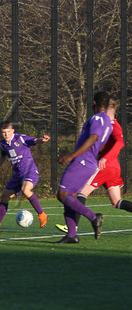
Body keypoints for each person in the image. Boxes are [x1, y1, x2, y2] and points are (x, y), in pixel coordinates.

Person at [56, 97, 132, 233]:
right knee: (117, 202)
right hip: (114, 167)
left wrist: (104, 158)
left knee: (79, 193)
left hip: (105, 165)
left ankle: (75, 227)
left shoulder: (111, 124)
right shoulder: (110, 124)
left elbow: (120, 143)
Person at [55, 91, 113, 243]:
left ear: (94, 103)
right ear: (107, 106)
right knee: (69, 196)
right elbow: (102, 147)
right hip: (90, 162)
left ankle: (94, 218)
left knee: (62, 195)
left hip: (82, 161)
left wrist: (71, 156)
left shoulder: (97, 118)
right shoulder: (108, 122)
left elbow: (93, 139)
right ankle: (72, 235)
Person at [0, 121, 50, 230]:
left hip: (29, 172)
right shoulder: (3, 144)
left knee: (26, 190)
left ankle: (42, 215)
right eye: (3, 132)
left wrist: (43, 140)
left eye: (8, 132)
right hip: (18, 175)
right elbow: (2, 157)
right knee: (4, 197)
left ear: (13, 131)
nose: (6, 135)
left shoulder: (21, 138)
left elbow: (35, 140)